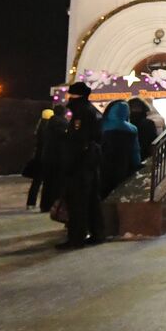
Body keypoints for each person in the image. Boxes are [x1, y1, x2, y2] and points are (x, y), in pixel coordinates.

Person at [57, 82, 104, 249]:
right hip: (90, 162)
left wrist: (70, 163)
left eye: (71, 95)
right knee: (91, 201)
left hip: (80, 165)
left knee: (78, 202)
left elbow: (79, 141)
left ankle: (76, 238)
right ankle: (97, 233)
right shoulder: (92, 111)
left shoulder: (82, 113)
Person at [99, 100, 142, 199]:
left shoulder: (101, 125)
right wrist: (137, 164)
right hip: (123, 165)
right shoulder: (132, 129)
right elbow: (135, 151)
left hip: (102, 165)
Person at [26, 109, 54, 210]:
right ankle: (47, 203)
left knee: (36, 182)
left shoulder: (39, 128)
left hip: (38, 158)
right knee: (48, 182)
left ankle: (30, 203)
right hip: (47, 158)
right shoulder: (50, 129)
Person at [126, 97, 158, 166]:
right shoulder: (149, 123)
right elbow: (153, 140)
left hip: (127, 157)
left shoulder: (126, 124)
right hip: (145, 155)